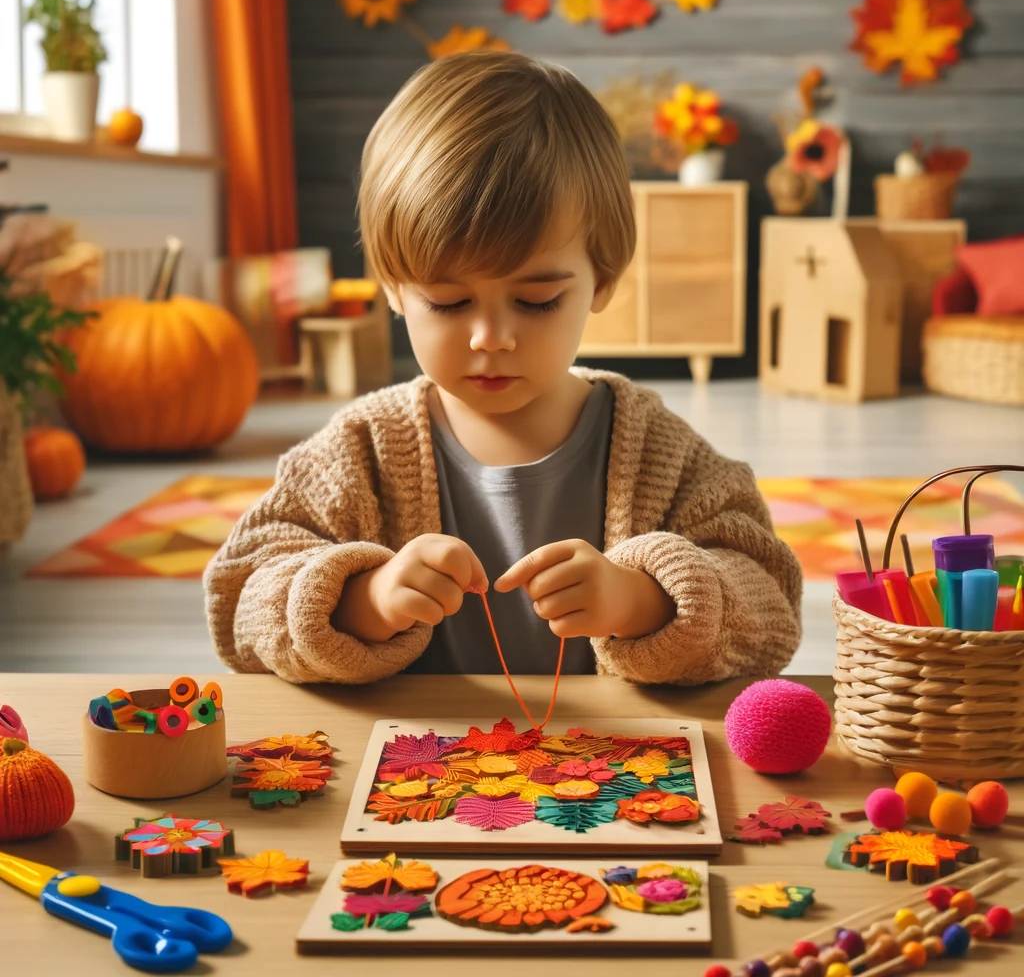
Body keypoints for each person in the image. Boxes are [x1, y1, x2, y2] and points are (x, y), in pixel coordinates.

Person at [204, 51, 802, 685]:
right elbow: (240, 599)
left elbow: (770, 607)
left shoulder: (658, 450)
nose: (492, 338)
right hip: (420, 773)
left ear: (602, 279)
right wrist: (363, 600)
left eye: (537, 301)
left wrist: (642, 601)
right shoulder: (360, 453)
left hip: (611, 775)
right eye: (449, 301)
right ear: (392, 288)